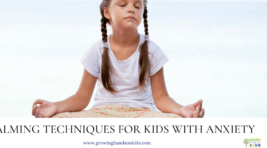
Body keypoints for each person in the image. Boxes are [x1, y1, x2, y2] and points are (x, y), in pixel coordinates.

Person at [32, 0, 205, 118]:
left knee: (178, 124)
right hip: (102, 113)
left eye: (137, 6)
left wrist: (181, 110)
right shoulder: (97, 50)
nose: (131, 9)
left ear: (142, 14)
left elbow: (161, 99)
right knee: (58, 120)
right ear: (107, 12)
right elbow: (81, 98)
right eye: (123, 4)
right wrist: (55, 107)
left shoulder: (151, 50)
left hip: (142, 114)